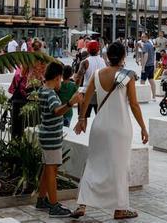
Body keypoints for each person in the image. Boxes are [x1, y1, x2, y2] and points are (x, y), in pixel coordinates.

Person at [72, 42, 149, 219]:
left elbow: (86, 96)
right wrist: (143, 128)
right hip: (119, 127)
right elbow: (134, 105)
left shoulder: (98, 74)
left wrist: (81, 119)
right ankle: (120, 209)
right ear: (123, 57)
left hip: (99, 126)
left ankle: (82, 205)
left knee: (93, 164)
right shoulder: (127, 76)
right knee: (120, 168)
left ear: (107, 57)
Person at [35, 63, 81, 217]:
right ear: (57, 78)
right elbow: (57, 111)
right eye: (60, 79)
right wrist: (70, 103)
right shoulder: (50, 94)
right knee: (51, 170)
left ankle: (41, 199)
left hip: (47, 136)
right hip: (51, 138)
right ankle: (54, 205)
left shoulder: (42, 90)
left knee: (47, 168)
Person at [77, 40, 107, 117]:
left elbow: (78, 78)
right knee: (100, 117)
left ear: (88, 50)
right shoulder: (103, 61)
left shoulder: (85, 62)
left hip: (86, 92)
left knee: (83, 118)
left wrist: (76, 91)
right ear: (98, 49)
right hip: (100, 93)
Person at [138, 33, 157, 97]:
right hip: (151, 65)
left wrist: (143, 67)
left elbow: (146, 55)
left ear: (146, 37)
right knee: (151, 80)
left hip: (147, 66)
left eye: (142, 37)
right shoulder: (150, 44)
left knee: (142, 81)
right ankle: (154, 96)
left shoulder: (145, 45)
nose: (141, 38)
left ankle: (142, 96)